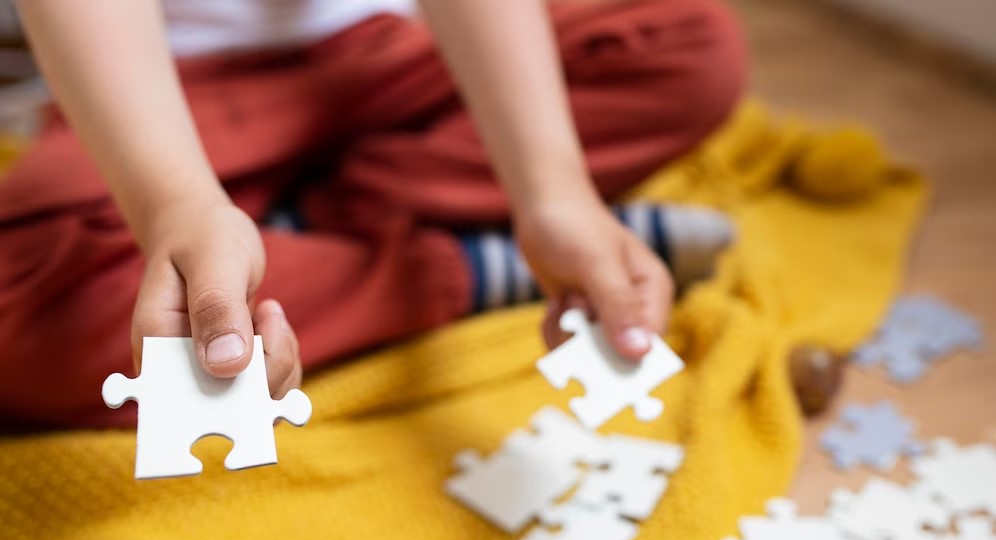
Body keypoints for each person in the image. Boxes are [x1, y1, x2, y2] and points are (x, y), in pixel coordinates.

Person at [0, 0, 744, 428]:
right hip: (175, 96)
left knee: (689, 46)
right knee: (20, 312)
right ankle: (471, 268)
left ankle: (296, 238)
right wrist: (175, 206)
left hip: (390, 52)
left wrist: (554, 190)